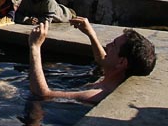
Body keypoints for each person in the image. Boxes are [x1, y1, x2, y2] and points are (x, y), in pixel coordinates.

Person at [28, 17, 156, 104]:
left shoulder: (96, 95)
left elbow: (43, 94)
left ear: (122, 62)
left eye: (114, 45)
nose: (108, 45)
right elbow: (102, 60)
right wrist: (91, 34)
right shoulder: (113, 76)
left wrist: (35, 47)